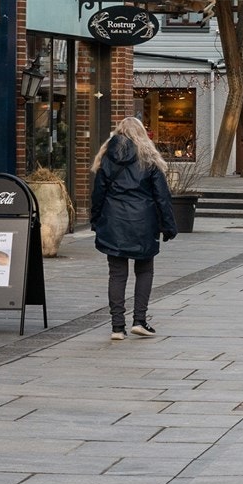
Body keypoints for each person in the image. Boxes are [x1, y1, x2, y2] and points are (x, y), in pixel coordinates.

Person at [90, 117, 177, 342]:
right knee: (144, 270)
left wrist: (95, 220)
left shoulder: (107, 159)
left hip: (114, 222)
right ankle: (140, 320)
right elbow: (162, 197)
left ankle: (117, 327)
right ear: (142, 134)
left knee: (117, 274)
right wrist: (168, 226)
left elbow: (98, 194)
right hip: (143, 223)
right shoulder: (149, 160)